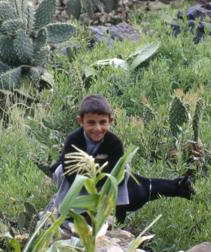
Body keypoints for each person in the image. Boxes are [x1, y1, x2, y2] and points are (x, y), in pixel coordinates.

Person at [51, 94, 195, 223]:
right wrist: (87, 184)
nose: (97, 128)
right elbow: (70, 171)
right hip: (77, 180)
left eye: (102, 122)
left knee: (124, 171)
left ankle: (119, 215)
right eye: (91, 123)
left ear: (110, 121)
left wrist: (98, 183)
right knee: (59, 171)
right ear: (80, 121)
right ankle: (67, 212)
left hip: (104, 180)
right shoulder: (73, 140)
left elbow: (114, 172)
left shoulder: (114, 143)